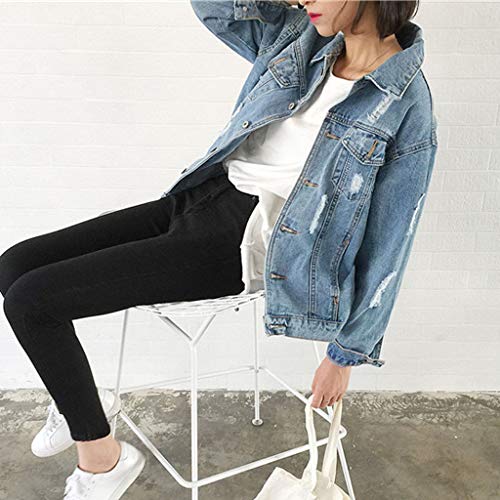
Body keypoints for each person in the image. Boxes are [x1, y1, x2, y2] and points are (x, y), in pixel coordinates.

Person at [0, 0, 435, 498]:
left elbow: (391, 242)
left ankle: (102, 460)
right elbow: (212, 8)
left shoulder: (406, 104)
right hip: (206, 193)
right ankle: (78, 400)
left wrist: (345, 355)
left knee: (31, 302)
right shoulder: (300, 37)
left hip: (245, 242)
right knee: (13, 265)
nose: (304, 1)